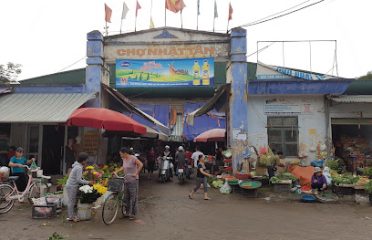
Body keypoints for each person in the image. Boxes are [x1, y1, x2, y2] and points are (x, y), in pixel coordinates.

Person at [113, 147, 143, 220]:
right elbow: (123, 167)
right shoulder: (124, 159)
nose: (120, 155)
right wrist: (116, 171)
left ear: (125, 153)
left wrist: (136, 173)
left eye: (121, 154)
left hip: (133, 180)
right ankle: (126, 213)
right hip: (126, 179)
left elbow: (141, 165)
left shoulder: (133, 158)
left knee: (133, 197)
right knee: (126, 197)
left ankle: (132, 214)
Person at [65, 152, 90, 222]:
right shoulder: (79, 167)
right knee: (71, 202)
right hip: (72, 186)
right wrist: (88, 182)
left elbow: (80, 178)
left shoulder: (77, 165)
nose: (87, 161)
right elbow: (78, 180)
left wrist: (86, 181)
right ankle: (71, 217)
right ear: (83, 160)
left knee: (72, 201)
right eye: (86, 160)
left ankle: (71, 216)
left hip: (71, 185)